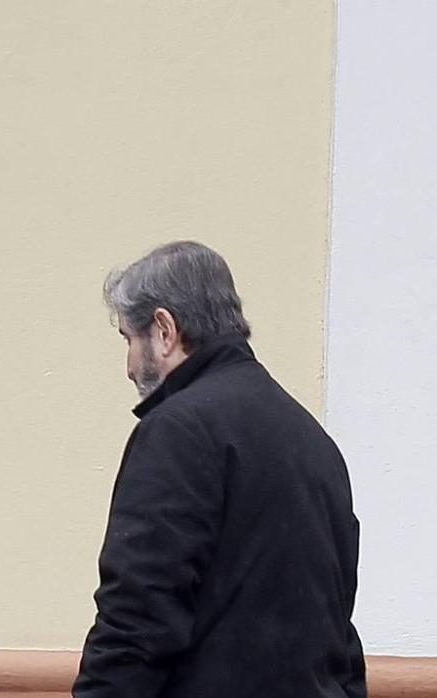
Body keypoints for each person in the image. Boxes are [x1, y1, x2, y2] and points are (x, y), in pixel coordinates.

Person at [74, 241, 366, 697]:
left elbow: (137, 618)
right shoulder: (315, 442)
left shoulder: (176, 431)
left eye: (130, 340)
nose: (129, 366)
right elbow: (339, 632)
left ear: (164, 329)